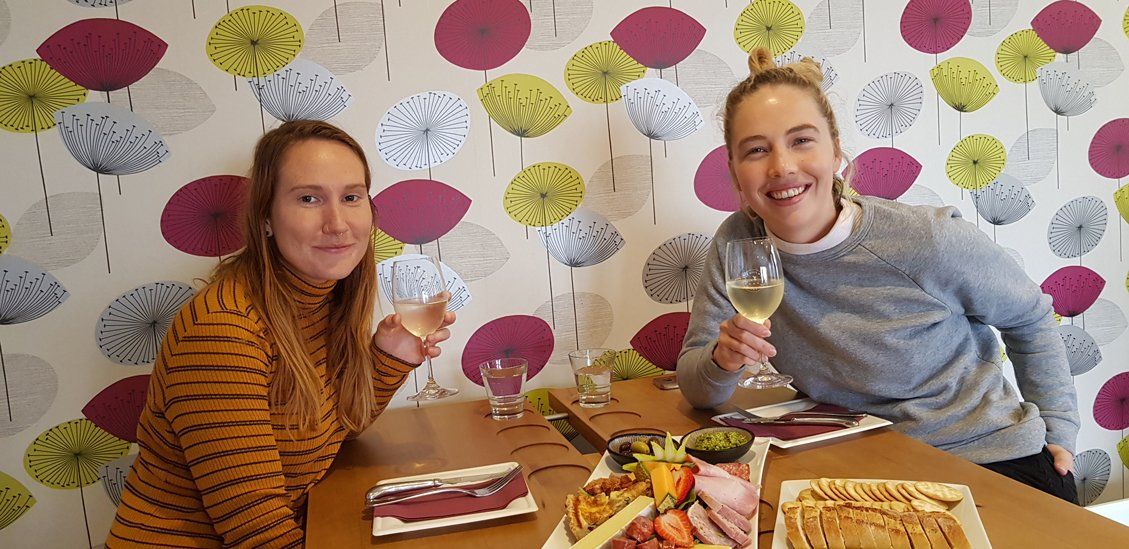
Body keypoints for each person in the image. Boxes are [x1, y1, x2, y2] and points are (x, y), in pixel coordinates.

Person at [677, 48, 1079, 503]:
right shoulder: (739, 245)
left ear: (835, 152)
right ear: (735, 172)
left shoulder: (926, 239)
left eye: (802, 140)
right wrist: (722, 359)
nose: (782, 166)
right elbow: (697, 387)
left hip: (986, 459)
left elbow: (1030, 317)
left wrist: (1060, 428)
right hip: (863, 469)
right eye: (756, 150)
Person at [107, 120, 455, 547]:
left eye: (351, 197)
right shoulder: (222, 330)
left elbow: (334, 433)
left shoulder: (325, 298)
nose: (338, 223)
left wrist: (389, 357)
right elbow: (257, 530)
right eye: (309, 198)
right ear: (266, 218)